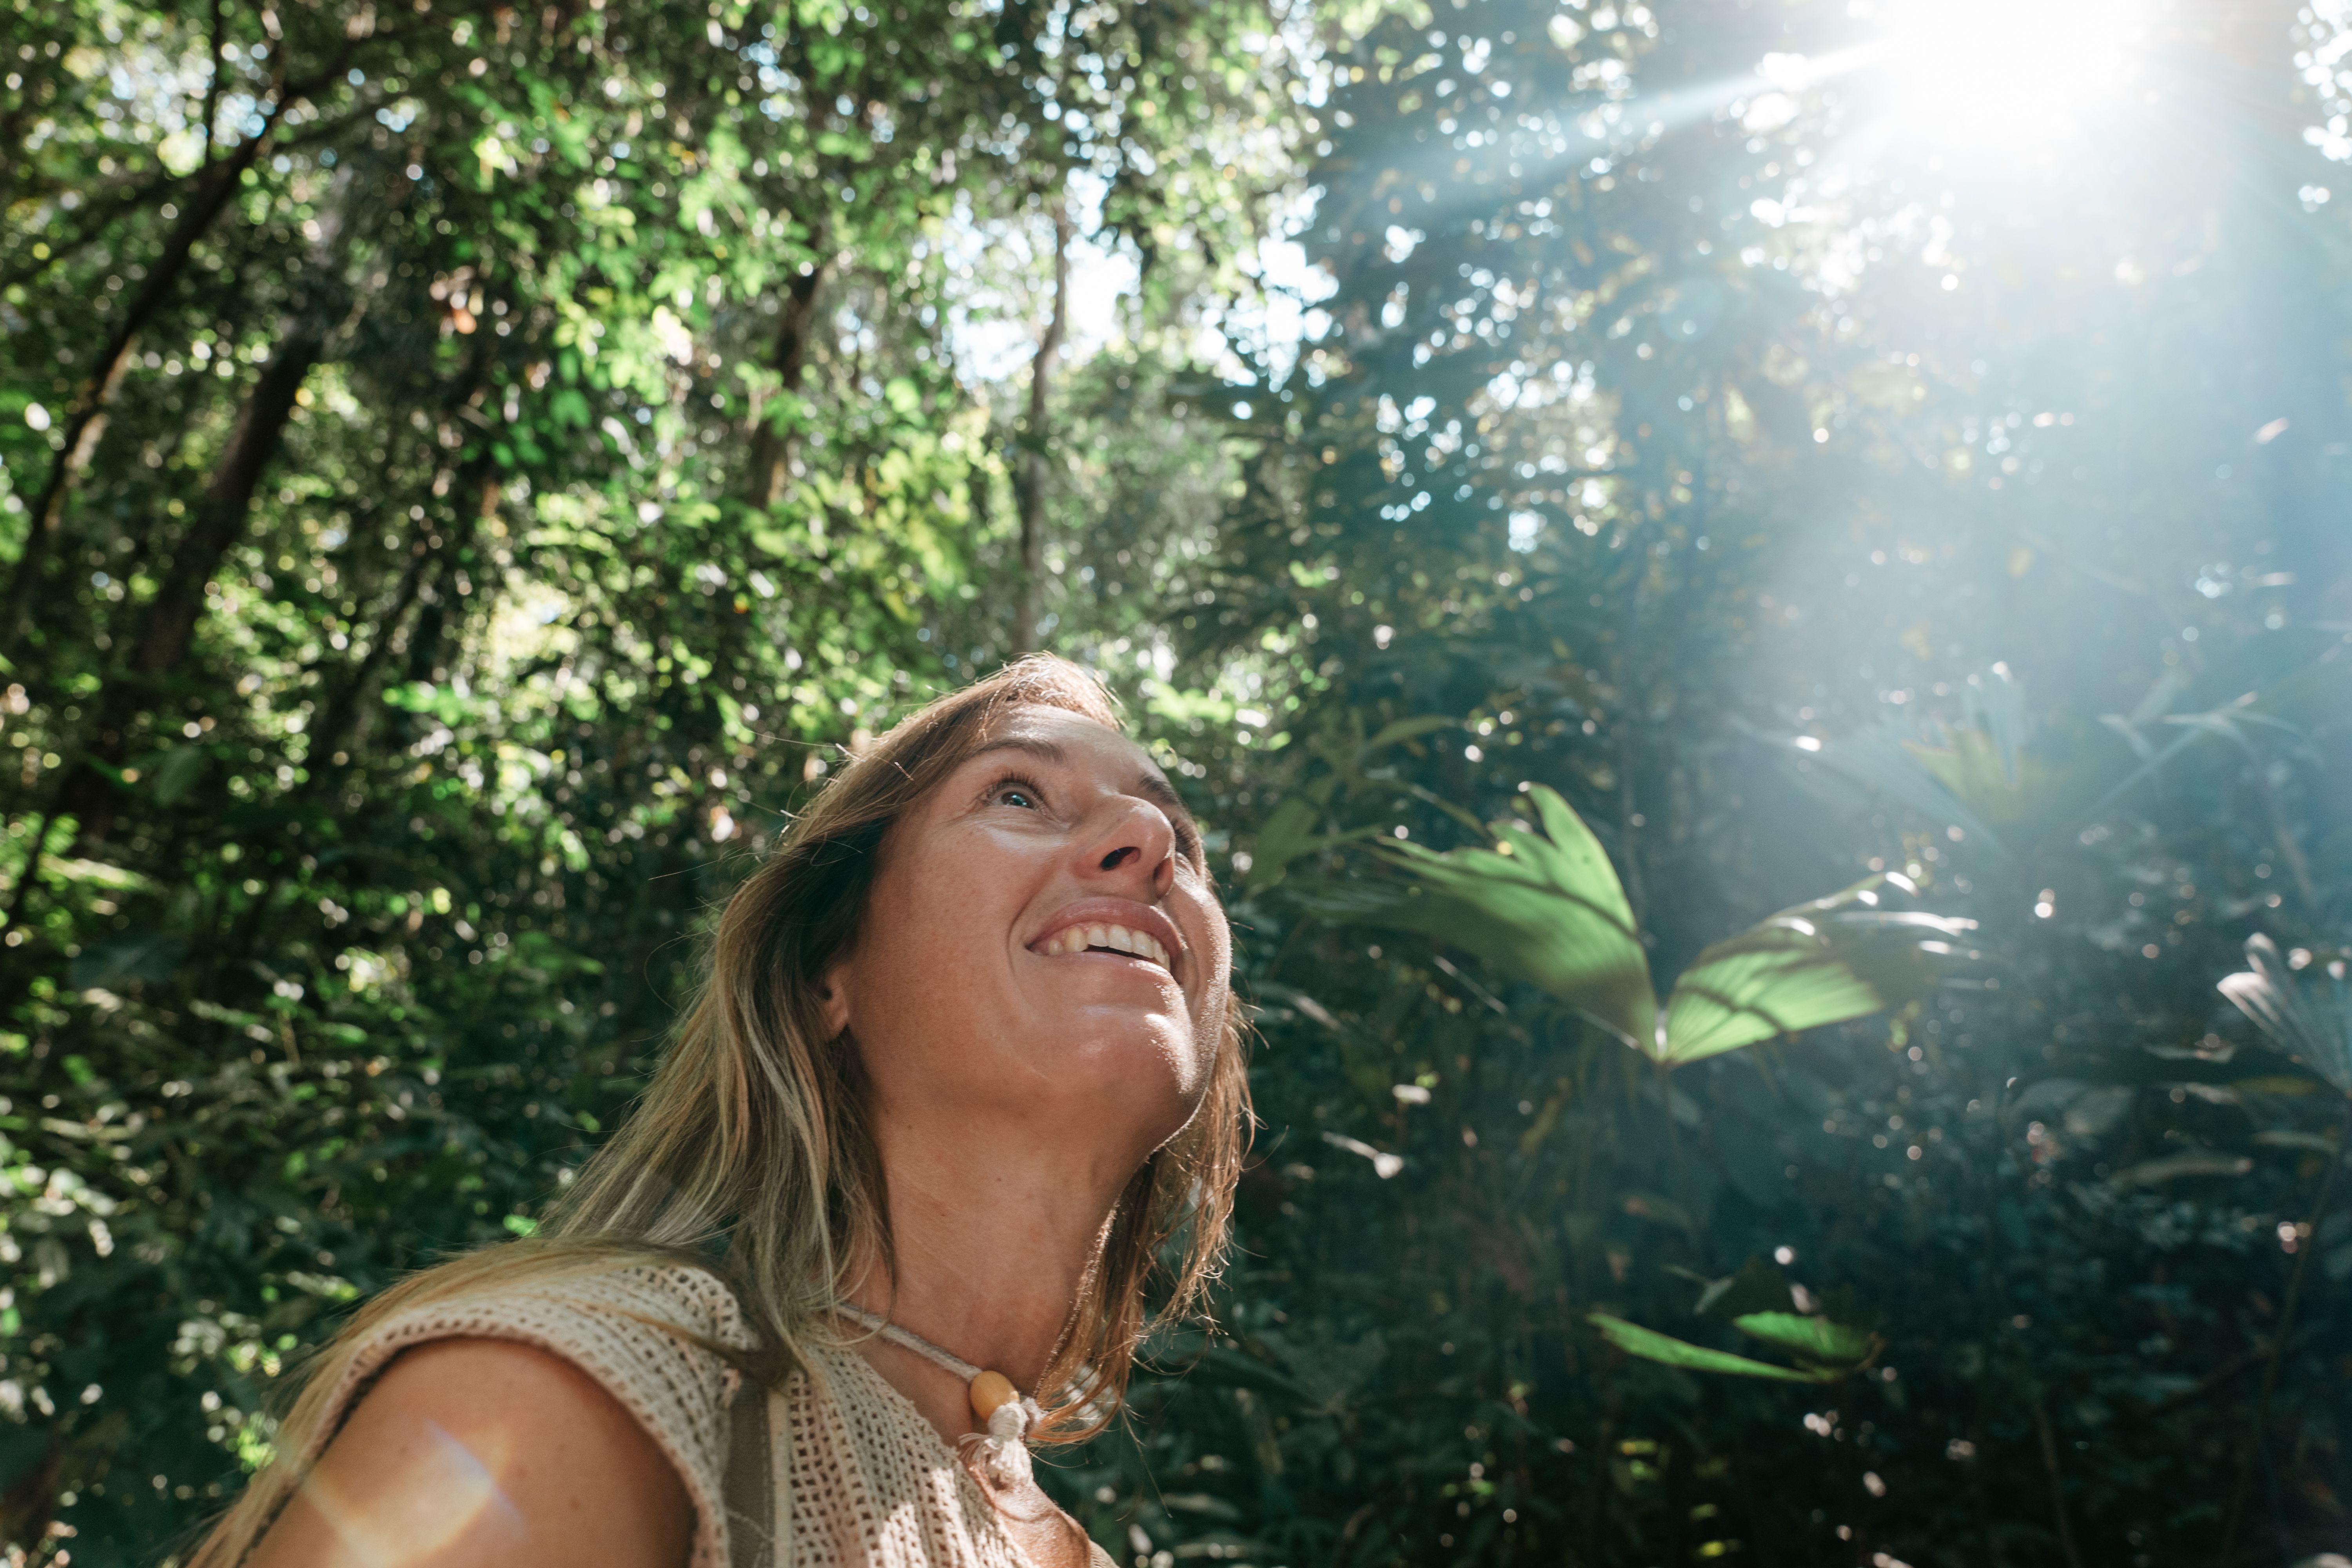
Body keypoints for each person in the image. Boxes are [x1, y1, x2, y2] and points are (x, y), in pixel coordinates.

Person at [192, 655, 1249, 1568]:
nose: (1149, 836)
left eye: (1182, 838)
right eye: (1017, 794)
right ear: (829, 969)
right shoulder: (578, 1388)